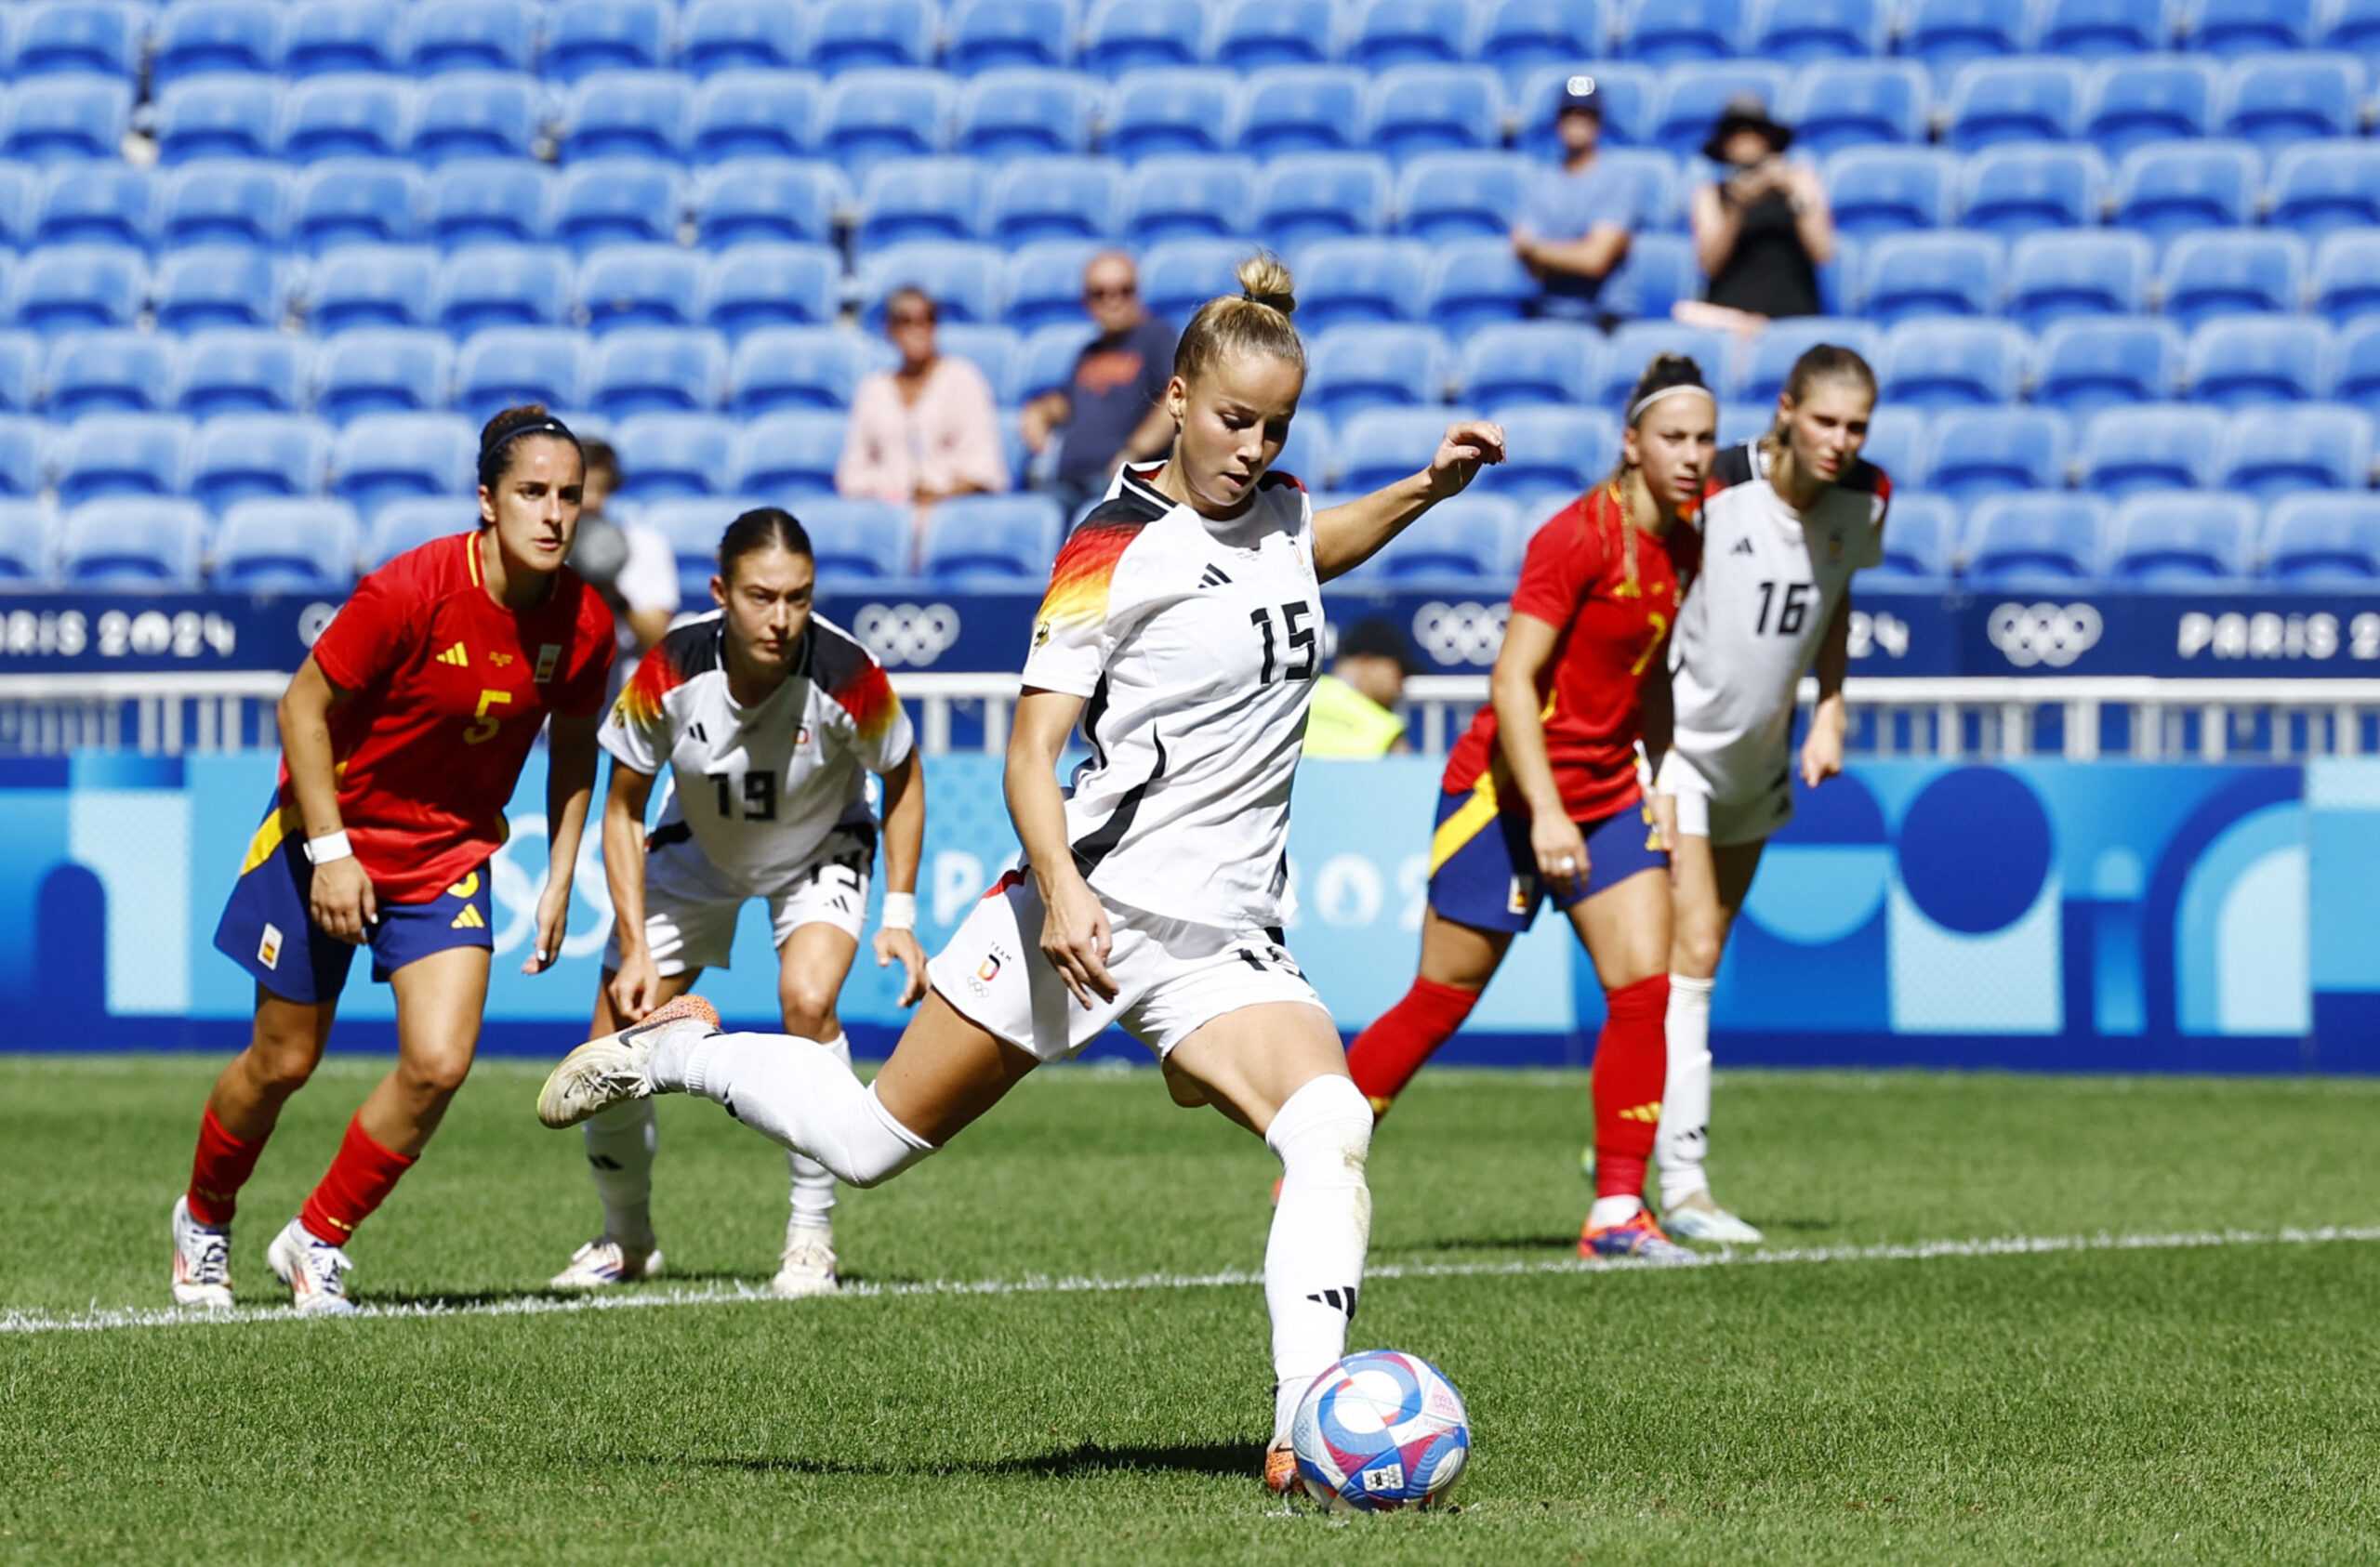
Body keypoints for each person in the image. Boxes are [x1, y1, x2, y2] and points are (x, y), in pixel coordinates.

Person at [536, 255, 1504, 1493]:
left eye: (1274, 427)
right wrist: (1065, 886)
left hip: (1222, 937)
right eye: (1232, 420)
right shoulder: (1111, 543)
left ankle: (1303, 1424)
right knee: (868, 1139)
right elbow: (1031, 747)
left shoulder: (1281, 514)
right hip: (1083, 905)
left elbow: (1314, 546)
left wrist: (1425, 487)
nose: (1254, 448)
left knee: (1332, 1124)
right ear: (1177, 397)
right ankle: (669, 1050)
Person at [170, 404, 615, 1314]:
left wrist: (564, 869)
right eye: (532, 492)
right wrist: (332, 854)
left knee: (441, 1063)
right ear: (486, 500)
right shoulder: (410, 590)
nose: (553, 514)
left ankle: (316, 1239)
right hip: (320, 836)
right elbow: (302, 708)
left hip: (447, 854)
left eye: (569, 497)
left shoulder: (585, 622)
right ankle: (204, 1221)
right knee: (283, 1061)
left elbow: (576, 746)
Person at [1342, 356, 1717, 1262]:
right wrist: (1544, 815)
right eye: (1674, 438)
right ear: (1631, 444)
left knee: (1643, 991)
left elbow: (1653, 676)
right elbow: (1510, 681)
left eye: (1705, 440)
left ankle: (1616, 1215)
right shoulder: (1574, 538)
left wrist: (1660, 782)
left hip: (1607, 793)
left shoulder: (1688, 539)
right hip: (1504, 792)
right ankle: (1315, 1160)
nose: (1693, 456)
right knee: (1439, 1001)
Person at [551, 506, 928, 1299]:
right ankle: (627, 1238)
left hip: (820, 847)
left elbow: (901, 774)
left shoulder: (847, 674)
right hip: (696, 849)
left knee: (809, 998)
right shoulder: (668, 671)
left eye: (799, 596)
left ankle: (810, 1239)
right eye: (762, 597)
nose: (783, 618)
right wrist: (638, 946)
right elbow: (621, 808)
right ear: (722, 592)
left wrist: (898, 913)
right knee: (609, 1054)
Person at [1651, 344, 1887, 1244]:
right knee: (1695, 947)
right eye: (1825, 420)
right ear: (1786, 409)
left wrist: (1830, 708)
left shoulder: (1867, 498)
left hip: (1759, 758)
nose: (1840, 440)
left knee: (1693, 959)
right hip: (1677, 747)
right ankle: (1686, 1181)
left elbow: (1836, 603)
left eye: (1856, 425)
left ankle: (1640, 1117)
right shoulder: (1712, 482)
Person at [1021, 251, 1179, 524]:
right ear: (1086, 301)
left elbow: (1174, 402)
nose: (1113, 301)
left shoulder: (1157, 337)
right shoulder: (1090, 351)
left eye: (1124, 291)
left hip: (1118, 483)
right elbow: (1068, 403)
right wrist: (1039, 412)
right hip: (1066, 481)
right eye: (1100, 293)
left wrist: (1133, 453)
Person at [836, 286, 1010, 519]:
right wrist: (896, 491)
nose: (918, 329)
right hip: (887, 515)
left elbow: (984, 467)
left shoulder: (963, 379)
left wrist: (940, 492)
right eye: (905, 321)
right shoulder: (873, 389)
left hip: (954, 514)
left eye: (927, 318)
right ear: (890, 330)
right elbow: (852, 474)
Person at [1685, 96, 1836, 330]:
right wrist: (1737, 207)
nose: (1745, 140)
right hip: (1732, 314)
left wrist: (1794, 194)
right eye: (1736, 133)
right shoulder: (1712, 194)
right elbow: (1708, 263)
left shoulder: (1800, 181)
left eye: (1754, 131)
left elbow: (1822, 252)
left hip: (1793, 309)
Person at [1514, 74, 1637, 323]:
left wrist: (1539, 250)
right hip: (1549, 314)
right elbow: (1524, 256)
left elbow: (1595, 260)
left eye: (1585, 116)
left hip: (1603, 320)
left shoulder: (1618, 180)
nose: (1577, 124)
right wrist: (1566, 253)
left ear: (1598, 123)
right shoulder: (1542, 180)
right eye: (1570, 116)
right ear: (1558, 122)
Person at [566, 438, 682, 657]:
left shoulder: (645, 545)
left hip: (619, 679)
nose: (589, 501)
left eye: (598, 489)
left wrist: (613, 593)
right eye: (578, 490)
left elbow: (657, 640)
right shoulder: (539, 545)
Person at [1302, 617, 1414, 759]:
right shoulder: (1386, 731)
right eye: (1401, 670)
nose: (1401, 684)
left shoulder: (1295, 697)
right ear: (1367, 661)